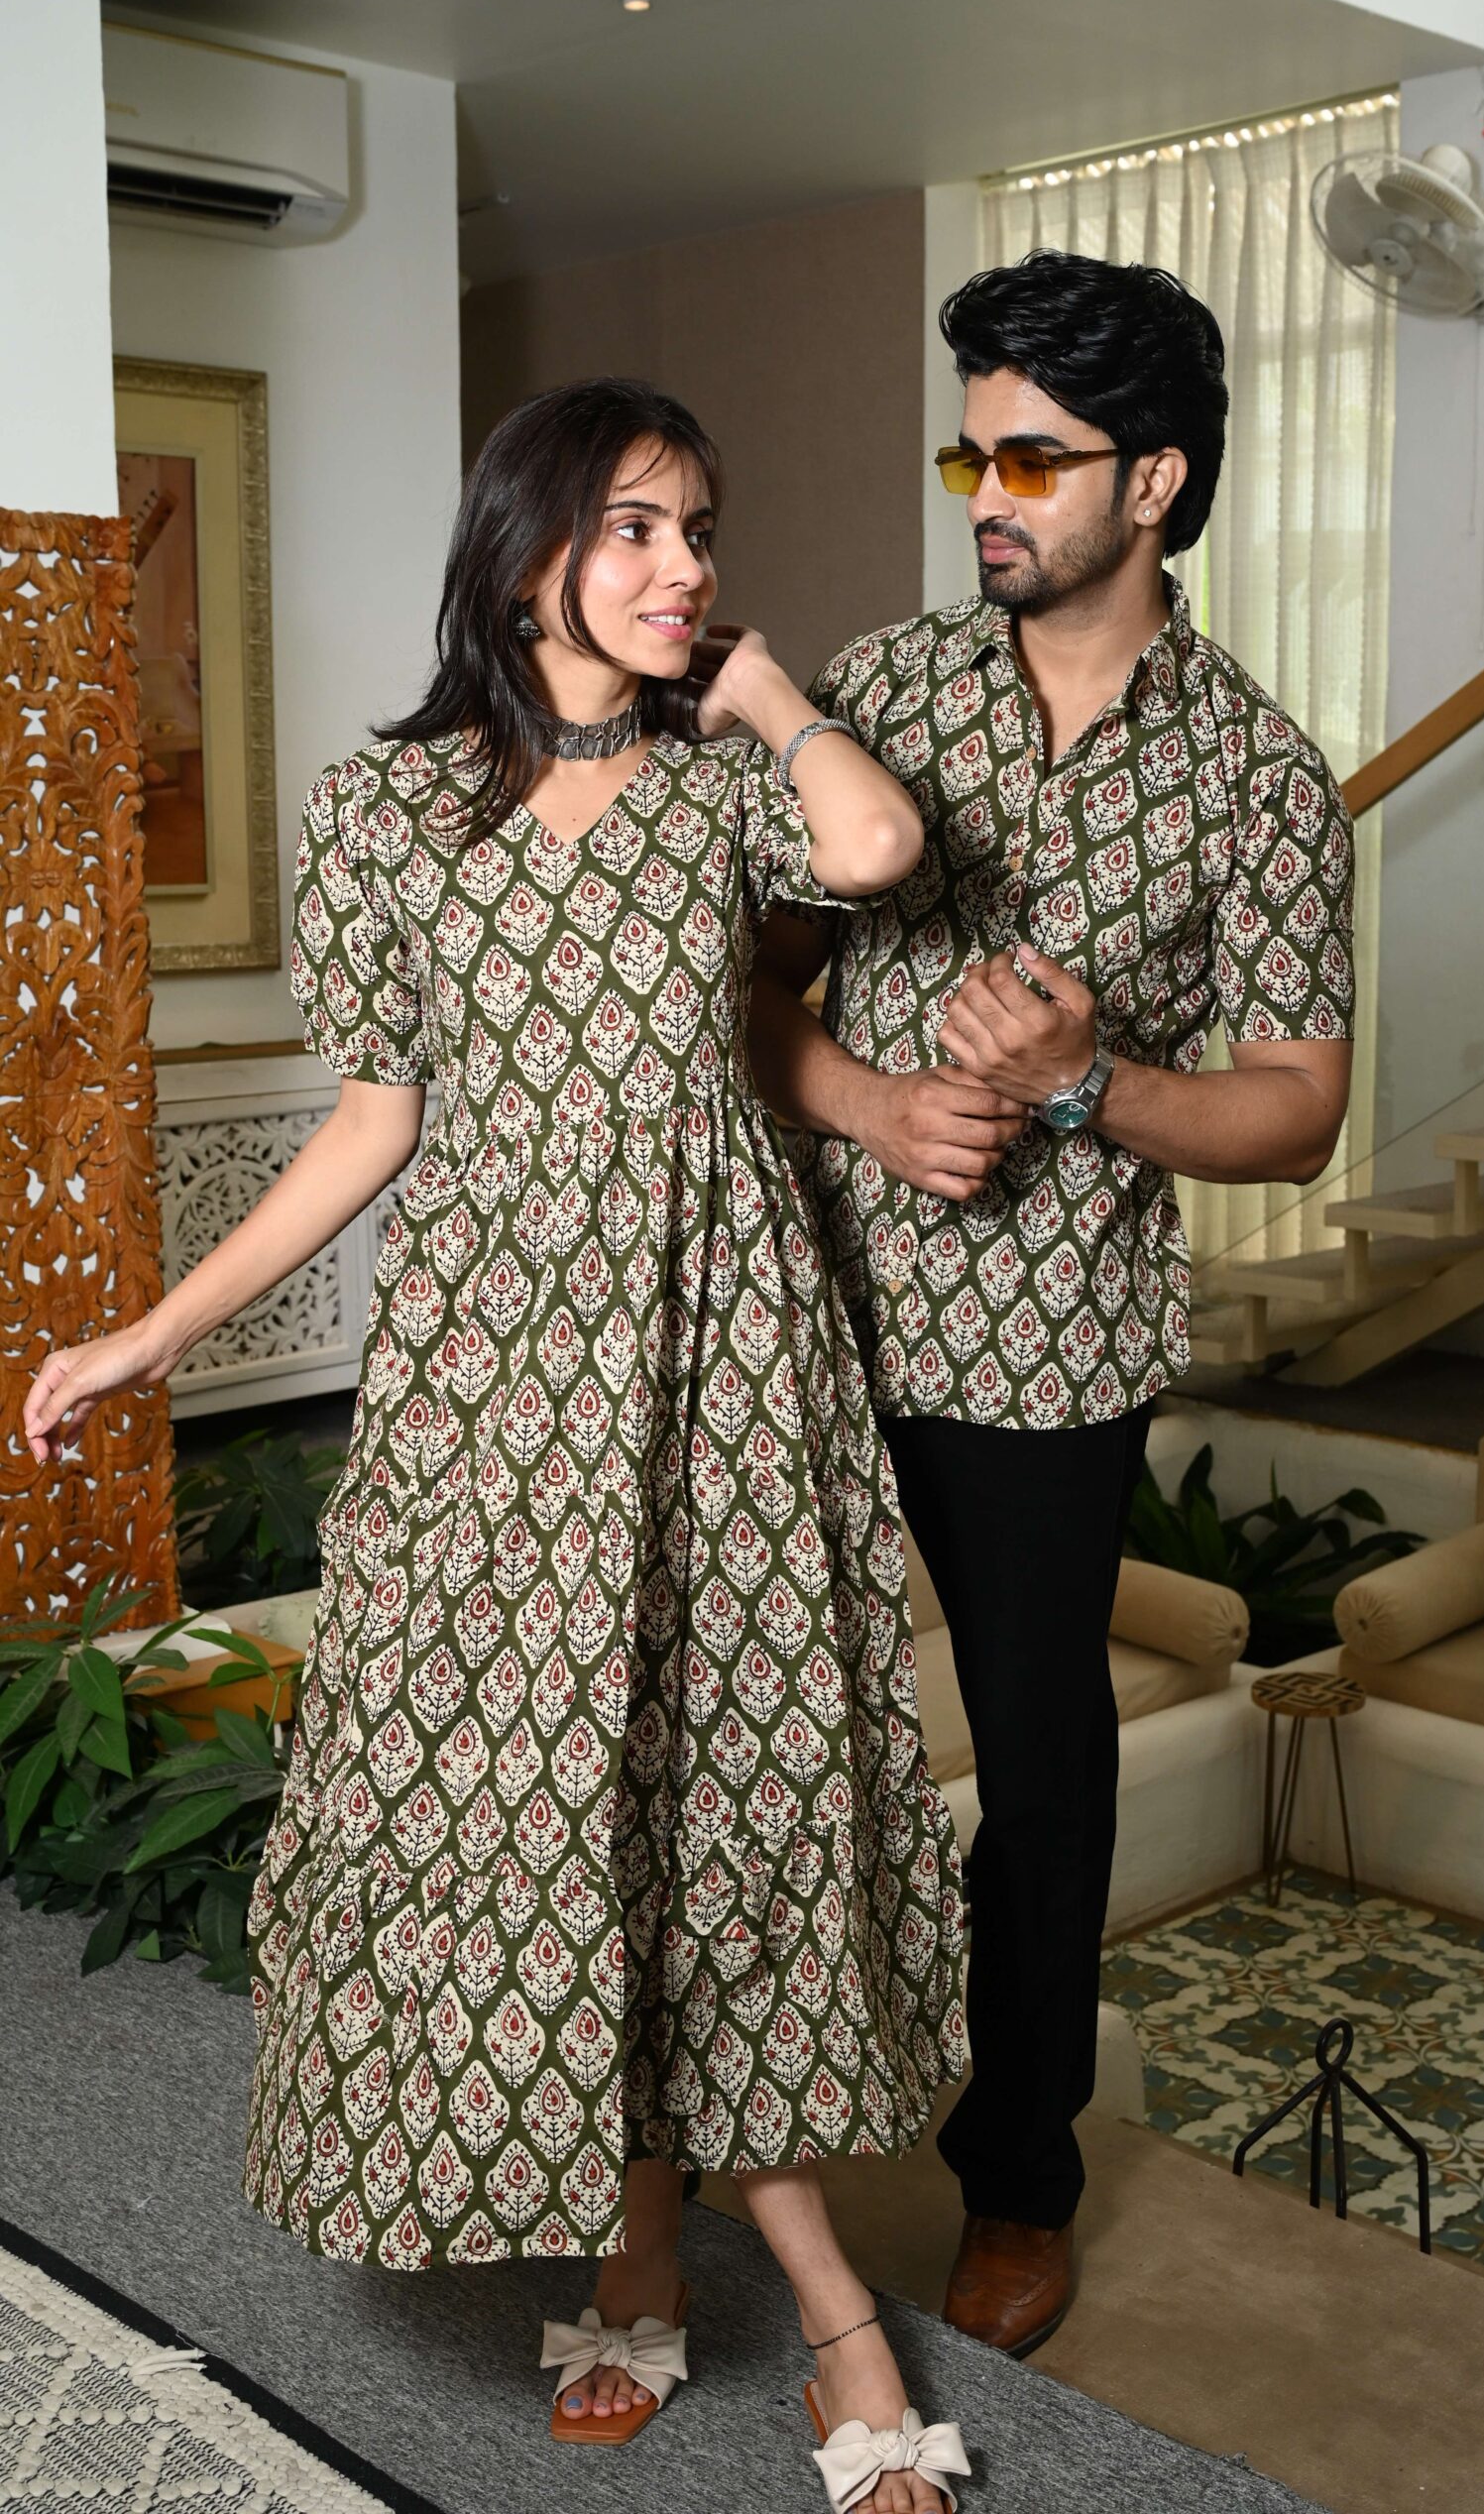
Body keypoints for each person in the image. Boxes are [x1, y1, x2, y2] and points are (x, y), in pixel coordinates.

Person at [26, 377, 973, 2514]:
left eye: (699, 529)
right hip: (499, 1391)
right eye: (634, 526)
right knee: (550, 1810)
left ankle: (781, 2299)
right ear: (525, 546)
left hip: (722, 1365)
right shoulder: (388, 813)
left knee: (722, 1797)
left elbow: (877, 849)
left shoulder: (722, 792)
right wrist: (159, 1329)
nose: (681, 566)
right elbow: (374, 1119)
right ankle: (661, 2259)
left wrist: (766, 690)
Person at [748, 253, 1355, 2356]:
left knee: (1040, 1763)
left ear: (1155, 480)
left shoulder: (1264, 776)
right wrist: (869, 1096)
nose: (986, 497)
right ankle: (739, 2126)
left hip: (1049, 1354)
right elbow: (741, 987)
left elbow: (1296, 1105)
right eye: (970, 457)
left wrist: (1086, 1081)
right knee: (768, 1730)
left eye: (1031, 460)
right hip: (806, 1311)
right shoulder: (879, 697)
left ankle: (1018, 2177)